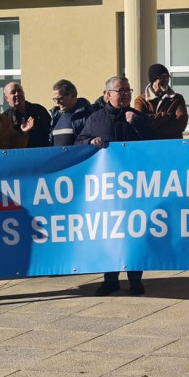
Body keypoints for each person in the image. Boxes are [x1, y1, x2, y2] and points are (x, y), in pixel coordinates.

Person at [76, 76, 156, 296]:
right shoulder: (95, 119)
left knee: (135, 233)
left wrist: (138, 124)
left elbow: (156, 145)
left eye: (128, 91)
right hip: (108, 189)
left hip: (135, 188)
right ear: (107, 94)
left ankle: (135, 280)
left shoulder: (138, 116)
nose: (126, 95)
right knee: (109, 234)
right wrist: (89, 143)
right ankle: (110, 279)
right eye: (121, 91)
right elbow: (79, 142)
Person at [133, 63, 189, 139]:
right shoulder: (141, 100)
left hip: (171, 144)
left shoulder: (177, 98)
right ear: (153, 80)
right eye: (162, 77)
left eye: (167, 77)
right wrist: (167, 116)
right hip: (150, 145)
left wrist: (153, 126)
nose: (166, 80)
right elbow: (140, 123)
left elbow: (181, 124)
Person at [49, 79, 98, 146]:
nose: (57, 102)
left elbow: (95, 137)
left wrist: (90, 141)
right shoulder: (55, 116)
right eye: (55, 99)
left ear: (73, 95)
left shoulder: (88, 114)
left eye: (60, 98)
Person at [3, 82, 52, 148]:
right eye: (13, 92)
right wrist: (22, 133)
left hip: (42, 153)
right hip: (19, 156)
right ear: (6, 98)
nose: (17, 94)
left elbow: (50, 130)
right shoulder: (4, 118)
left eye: (19, 91)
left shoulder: (38, 110)